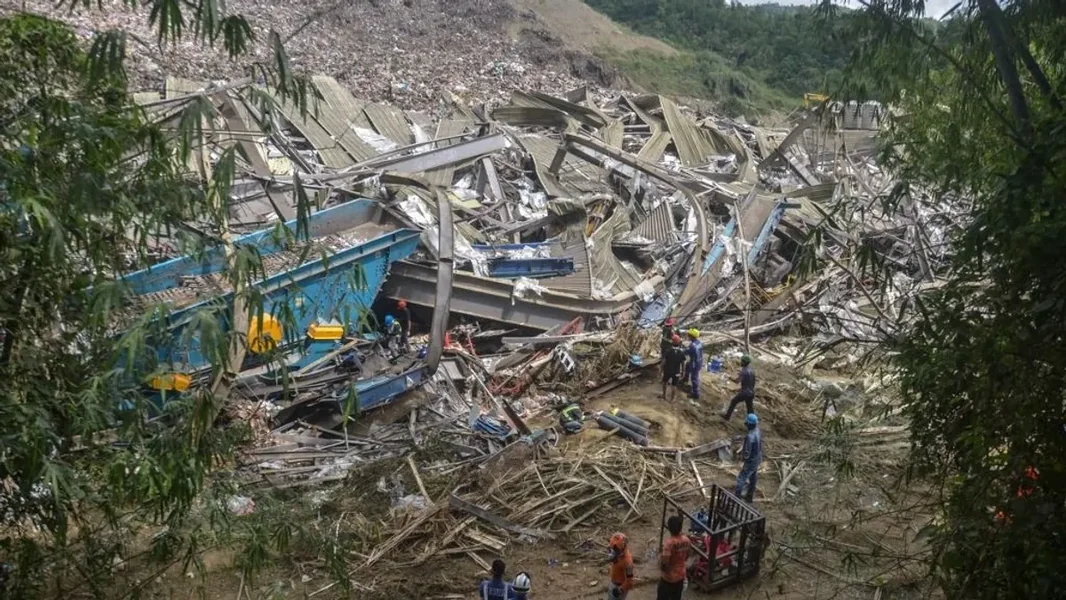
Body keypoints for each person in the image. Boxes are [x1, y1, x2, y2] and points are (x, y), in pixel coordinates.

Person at [658, 515, 689, 600]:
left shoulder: (669, 544)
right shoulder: (686, 540)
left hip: (669, 578)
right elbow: (686, 557)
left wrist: (660, 563)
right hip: (681, 575)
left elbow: (664, 564)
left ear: (669, 527)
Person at [735, 413, 762, 503]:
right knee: (753, 477)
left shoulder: (750, 436)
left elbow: (747, 452)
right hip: (757, 458)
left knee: (741, 478)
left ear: (749, 424)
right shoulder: (757, 431)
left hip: (751, 461)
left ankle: (736, 499)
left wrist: (742, 460)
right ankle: (749, 497)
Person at [721, 355, 756, 421]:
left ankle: (727, 417)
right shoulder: (752, 370)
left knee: (733, 401)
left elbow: (737, 381)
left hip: (745, 392)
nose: (741, 363)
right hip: (751, 392)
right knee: (750, 408)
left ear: (745, 362)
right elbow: (752, 383)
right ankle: (753, 422)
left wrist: (729, 377)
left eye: (742, 361)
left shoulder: (744, 371)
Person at [607, 532, 635, 600]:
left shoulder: (628, 562)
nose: (613, 551)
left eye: (615, 549)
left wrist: (620, 590)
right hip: (613, 582)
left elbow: (630, 581)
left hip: (619, 586)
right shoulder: (617, 550)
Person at [661, 335, 685, 401]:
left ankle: (664, 395)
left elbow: (663, 362)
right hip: (676, 372)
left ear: (672, 342)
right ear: (679, 343)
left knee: (664, 382)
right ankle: (672, 399)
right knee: (674, 385)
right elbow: (683, 363)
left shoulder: (668, 351)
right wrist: (683, 372)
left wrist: (661, 370)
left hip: (667, 370)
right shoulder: (681, 353)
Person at [684, 329, 703, 400]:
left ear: (691, 336)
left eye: (688, 335)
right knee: (687, 366)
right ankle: (685, 378)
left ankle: (696, 393)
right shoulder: (699, 343)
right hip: (699, 360)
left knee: (694, 377)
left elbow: (686, 352)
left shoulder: (692, 346)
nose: (688, 336)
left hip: (695, 363)